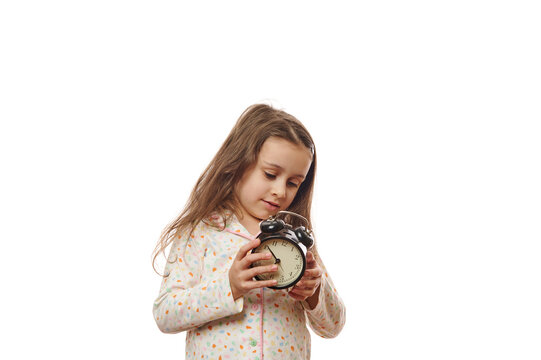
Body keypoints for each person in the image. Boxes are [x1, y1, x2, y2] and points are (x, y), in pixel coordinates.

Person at [152, 104, 346, 359]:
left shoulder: (296, 241)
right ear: (238, 164)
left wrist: (314, 292)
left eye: (293, 183)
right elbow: (165, 314)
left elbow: (333, 326)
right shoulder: (201, 232)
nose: (280, 191)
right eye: (270, 174)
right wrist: (229, 286)